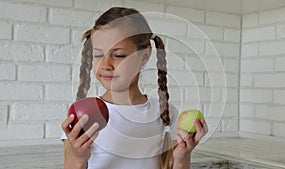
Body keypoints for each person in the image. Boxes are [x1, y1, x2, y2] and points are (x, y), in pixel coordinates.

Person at [61, 7, 208, 169]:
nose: (105, 65)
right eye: (98, 55)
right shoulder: (83, 117)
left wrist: (182, 158)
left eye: (118, 55)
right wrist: (78, 157)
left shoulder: (164, 113)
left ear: (144, 56)